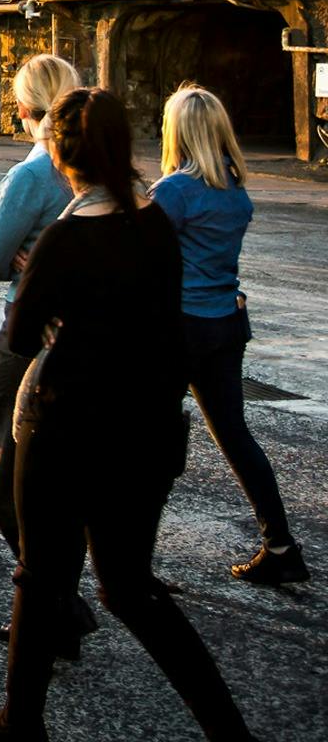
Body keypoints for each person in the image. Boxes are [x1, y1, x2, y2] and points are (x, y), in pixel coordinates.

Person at [0, 88, 257, 742]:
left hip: (66, 424)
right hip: (147, 427)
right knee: (129, 587)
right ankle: (228, 729)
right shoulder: (154, 224)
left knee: (42, 575)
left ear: (64, 156)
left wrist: (39, 282)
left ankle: (22, 720)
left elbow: (19, 332)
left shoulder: (66, 237)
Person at [0, 55, 96, 646]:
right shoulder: (102, 169)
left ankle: (52, 595)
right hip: (90, 334)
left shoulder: (34, 174)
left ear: (21, 109)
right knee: (59, 469)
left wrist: (29, 262)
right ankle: (58, 594)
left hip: (29, 329)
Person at [151, 84, 310, 585]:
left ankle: (134, 561)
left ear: (176, 132)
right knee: (236, 438)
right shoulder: (234, 190)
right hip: (225, 324)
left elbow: (140, 253)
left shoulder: (175, 191)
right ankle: (280, 543)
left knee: (149, 442)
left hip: (179, 328)